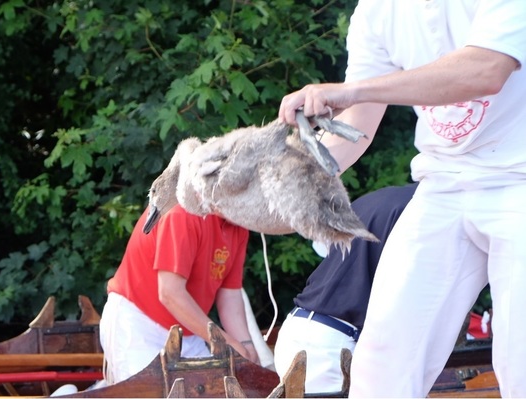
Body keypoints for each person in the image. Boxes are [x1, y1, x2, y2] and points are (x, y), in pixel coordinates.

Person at [279, 1, 526, 397]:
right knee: (383, 356)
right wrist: (294, 186)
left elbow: (486, 69)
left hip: (520, 179)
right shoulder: (376, 11)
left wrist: (351, 90)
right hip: (443, 182)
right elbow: (357, 119)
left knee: (520, 360)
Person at [274, 183, 418, 394]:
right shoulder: (424, 211)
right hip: (330, 345)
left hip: (304, 329)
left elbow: (323, 248)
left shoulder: (380, 197)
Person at [99, 204, 259, 384]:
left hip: (188, 331)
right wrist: (226, 342)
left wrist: (246, 346)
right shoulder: (183, 211)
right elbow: (169, 293)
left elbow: (229, 295)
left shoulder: (238, 225)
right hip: (138, 323)